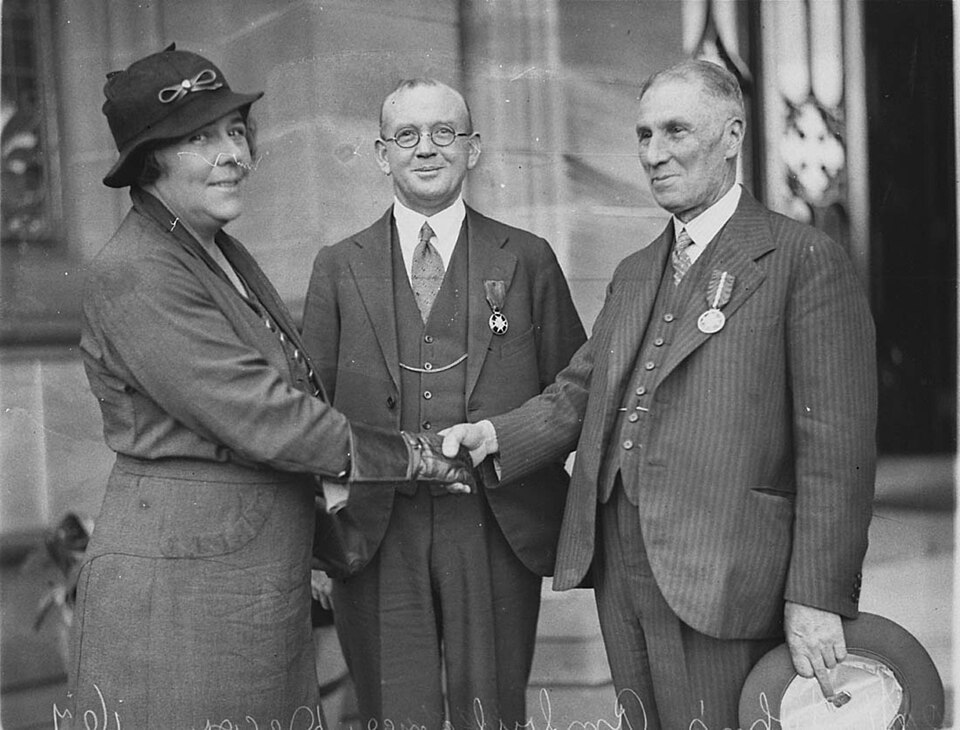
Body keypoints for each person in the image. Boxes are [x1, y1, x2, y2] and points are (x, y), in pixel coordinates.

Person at [442, 59, 877, 728]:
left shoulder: (802, 259)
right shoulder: (636, 269)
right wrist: (497, 436)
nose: (654, 154)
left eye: (676, 131)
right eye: (644, 136)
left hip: (727, 568)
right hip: (619, 565)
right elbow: (580, 393)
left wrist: (816, 596)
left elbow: (836, 451)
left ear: (731, 136)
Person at [69, 46, 473, 729]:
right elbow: (265, 417)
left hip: (243, 582)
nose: (233, 154)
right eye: (199, 138)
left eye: (234, 130)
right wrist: (416, 456)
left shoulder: (212, 249)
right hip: (182, 600)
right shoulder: (138, 271)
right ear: (148, 163)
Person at [301, 78, 585, 729]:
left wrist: (506, 438)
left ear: (473, 148)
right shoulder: (339, 267)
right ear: (381, 153)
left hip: (494, 523)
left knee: (490, 711)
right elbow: (304, 408)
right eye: (407, 135)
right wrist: (319, 533)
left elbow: (575, 389)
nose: (426, 149)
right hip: (375, 529)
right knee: (393, 712)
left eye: (444, 133)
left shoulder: (528, 259)